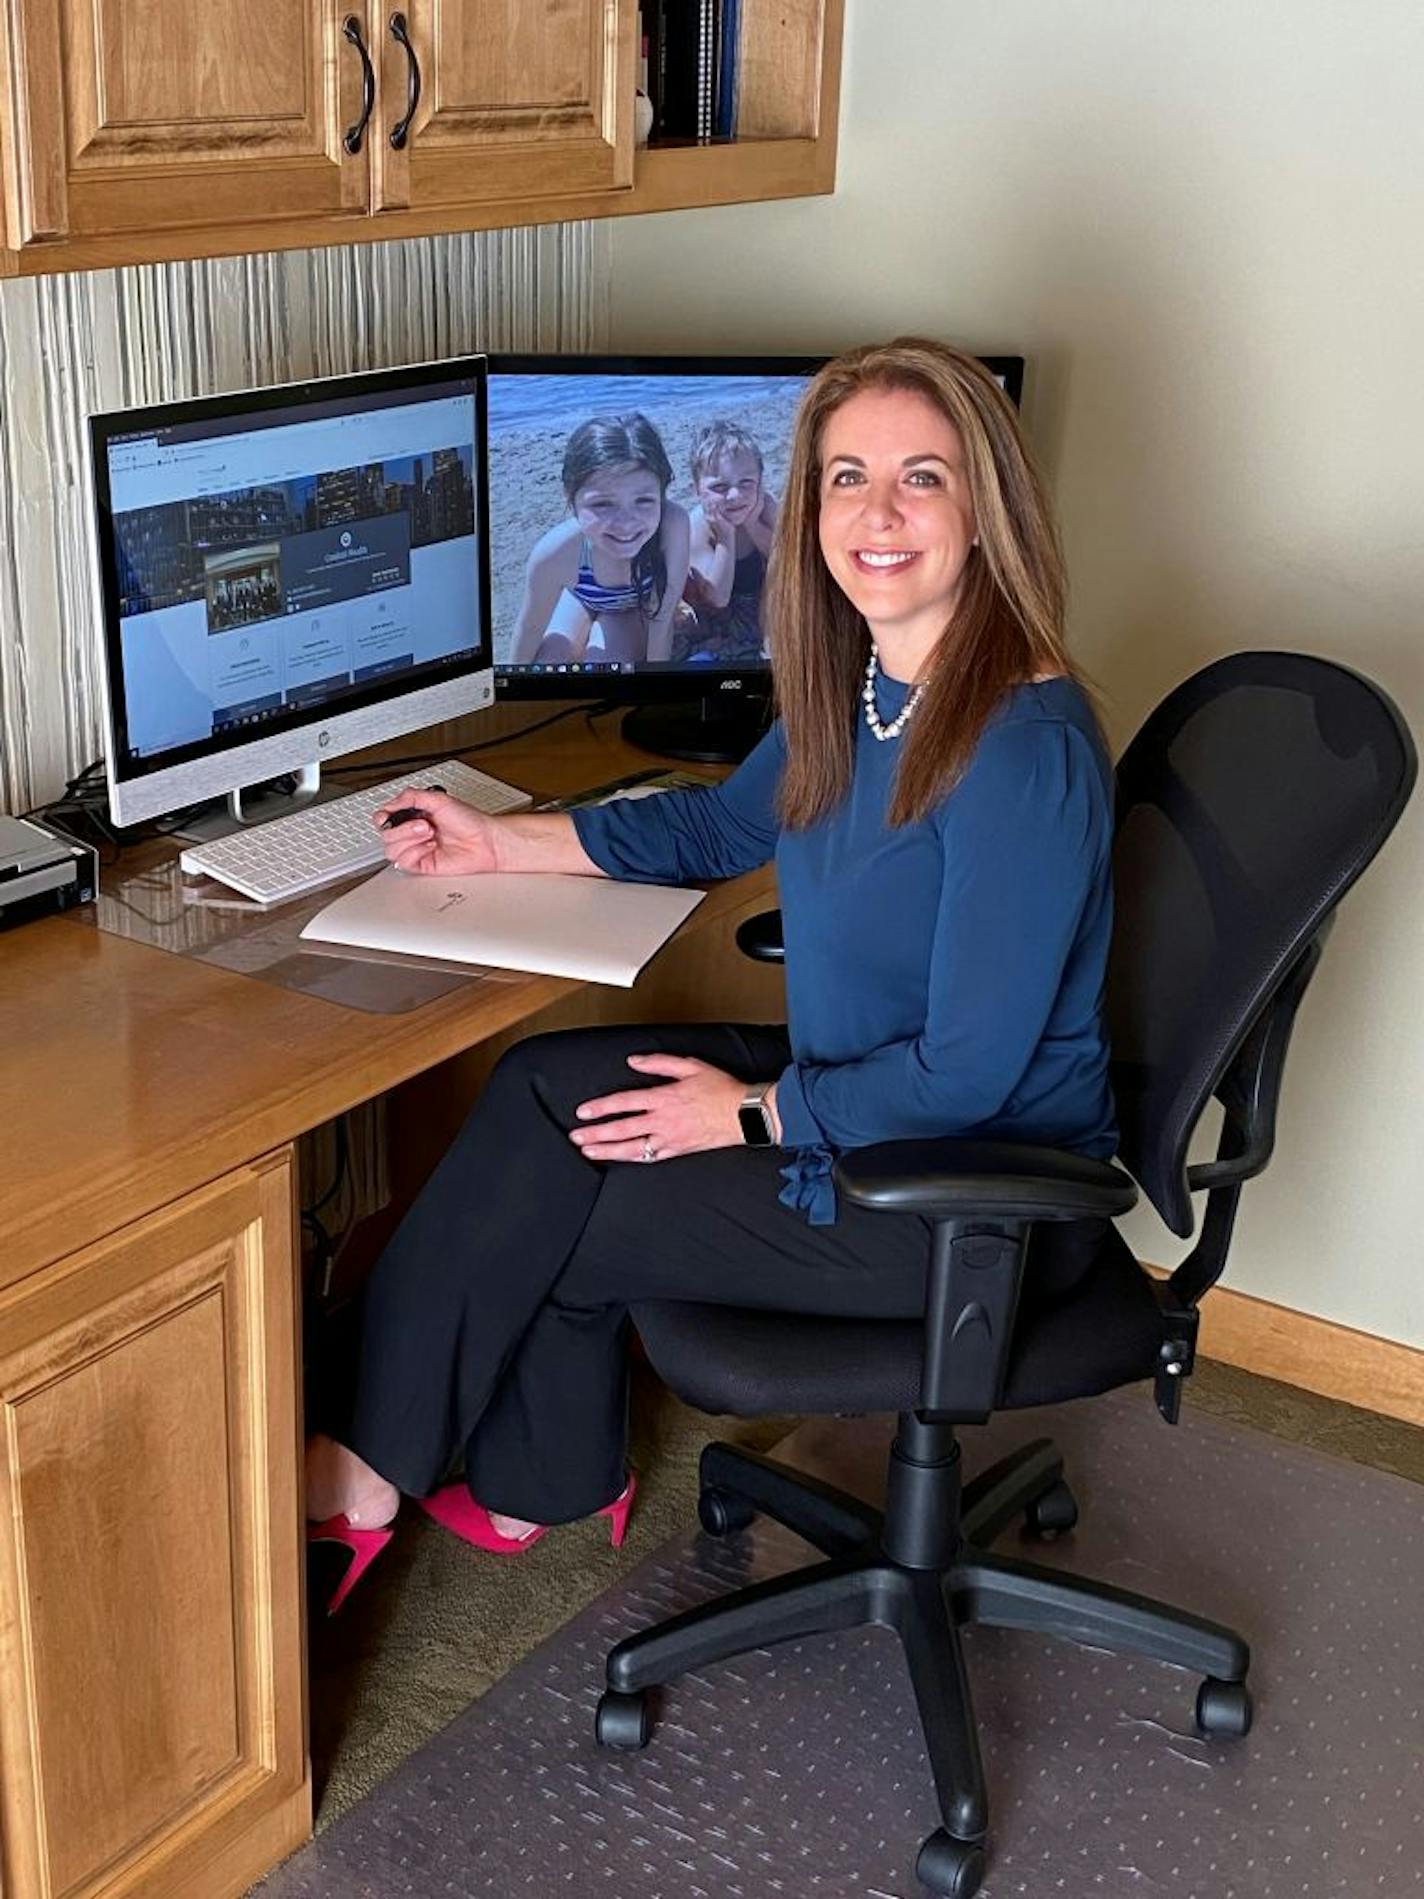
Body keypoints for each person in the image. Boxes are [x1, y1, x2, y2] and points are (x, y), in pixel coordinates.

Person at [305, 336, 1121, 1604]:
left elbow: (966, 1071)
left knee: (580, 1206)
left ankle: (400, 1479)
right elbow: (720, 828)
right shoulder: (865, 678)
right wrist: (502, 839)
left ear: (986, 505)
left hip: (960, 1190)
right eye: (847, 477)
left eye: (922, 477)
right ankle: (483, 1463)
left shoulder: (1019, 751)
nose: (877, 514)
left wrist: (743, 1113)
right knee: (538, 1089)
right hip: (857, 1092)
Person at [509, 413, 691, 668]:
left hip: (636, 606)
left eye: (644, 500)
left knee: (603, 665)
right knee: (549, 662)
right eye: (603, 503)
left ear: (661, 493)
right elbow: (531, 626)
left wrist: (654, 684)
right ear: (570, 498)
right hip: (582, 596)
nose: (626, 523)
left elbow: (661, 619)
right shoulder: (554, 552)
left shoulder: (673, 525)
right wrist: (511, 688)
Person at [676, 420, 779, 664]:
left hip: (763, 607)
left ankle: (771, 653)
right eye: (719, 487)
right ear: (697, 490)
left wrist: (753, 525)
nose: (735, 496)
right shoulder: (697, 526)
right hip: (718, 616)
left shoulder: (766, 507)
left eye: (746, 483)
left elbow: (789, 564)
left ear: (760, 481)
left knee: (779, 574)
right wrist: (726, 536)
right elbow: (718, 598)